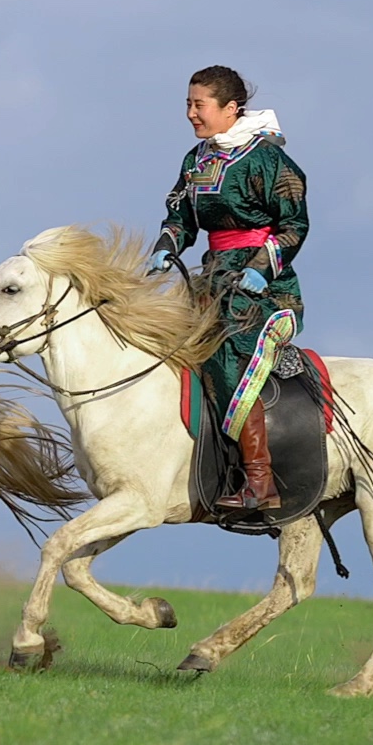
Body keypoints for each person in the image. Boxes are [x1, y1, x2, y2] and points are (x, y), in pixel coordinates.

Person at [149, 65, 309, 510]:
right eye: (188, 104)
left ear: (231, 108)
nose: (190, 114)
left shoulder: (268, 160)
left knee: (224, 350)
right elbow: (180, 216)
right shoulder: (195, 159)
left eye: (198, 105)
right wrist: (167, 244)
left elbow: (294, 225)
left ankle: (261, 481)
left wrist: (261, 269)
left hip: (266, 289)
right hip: (211, 279)